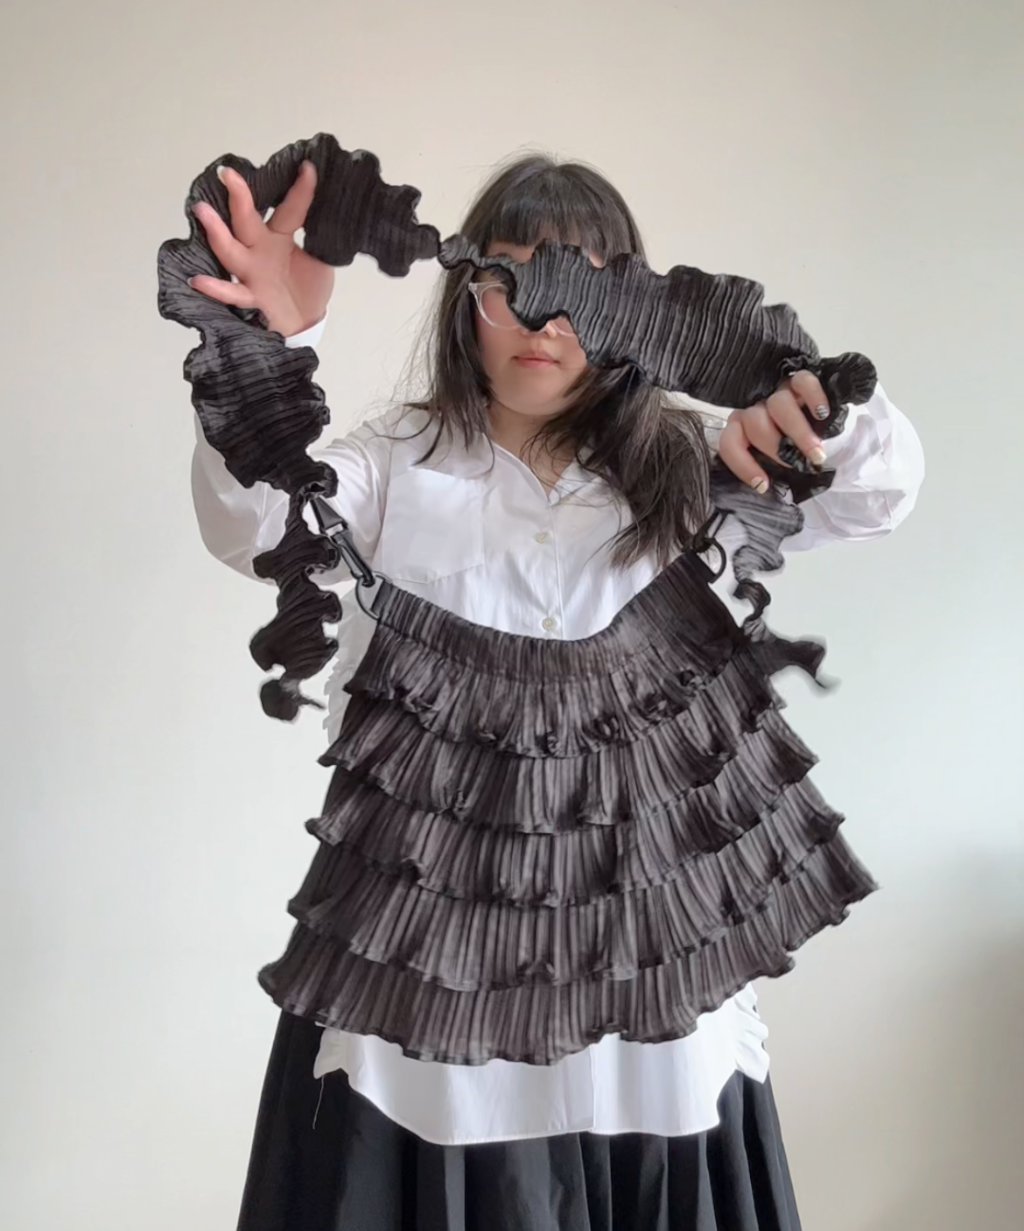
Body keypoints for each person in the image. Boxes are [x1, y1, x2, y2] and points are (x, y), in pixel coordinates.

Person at [189, 154, 924, 1231]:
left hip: (654, 977)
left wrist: (805, 399)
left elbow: (880, 493)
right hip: (428, 977)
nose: (542, 316)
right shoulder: (393, 466)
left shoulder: (694, 468)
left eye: (580, 283)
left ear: (635, 309)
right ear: (466, 297)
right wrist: (274, 346)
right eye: (509, 277)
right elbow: (253, 530)